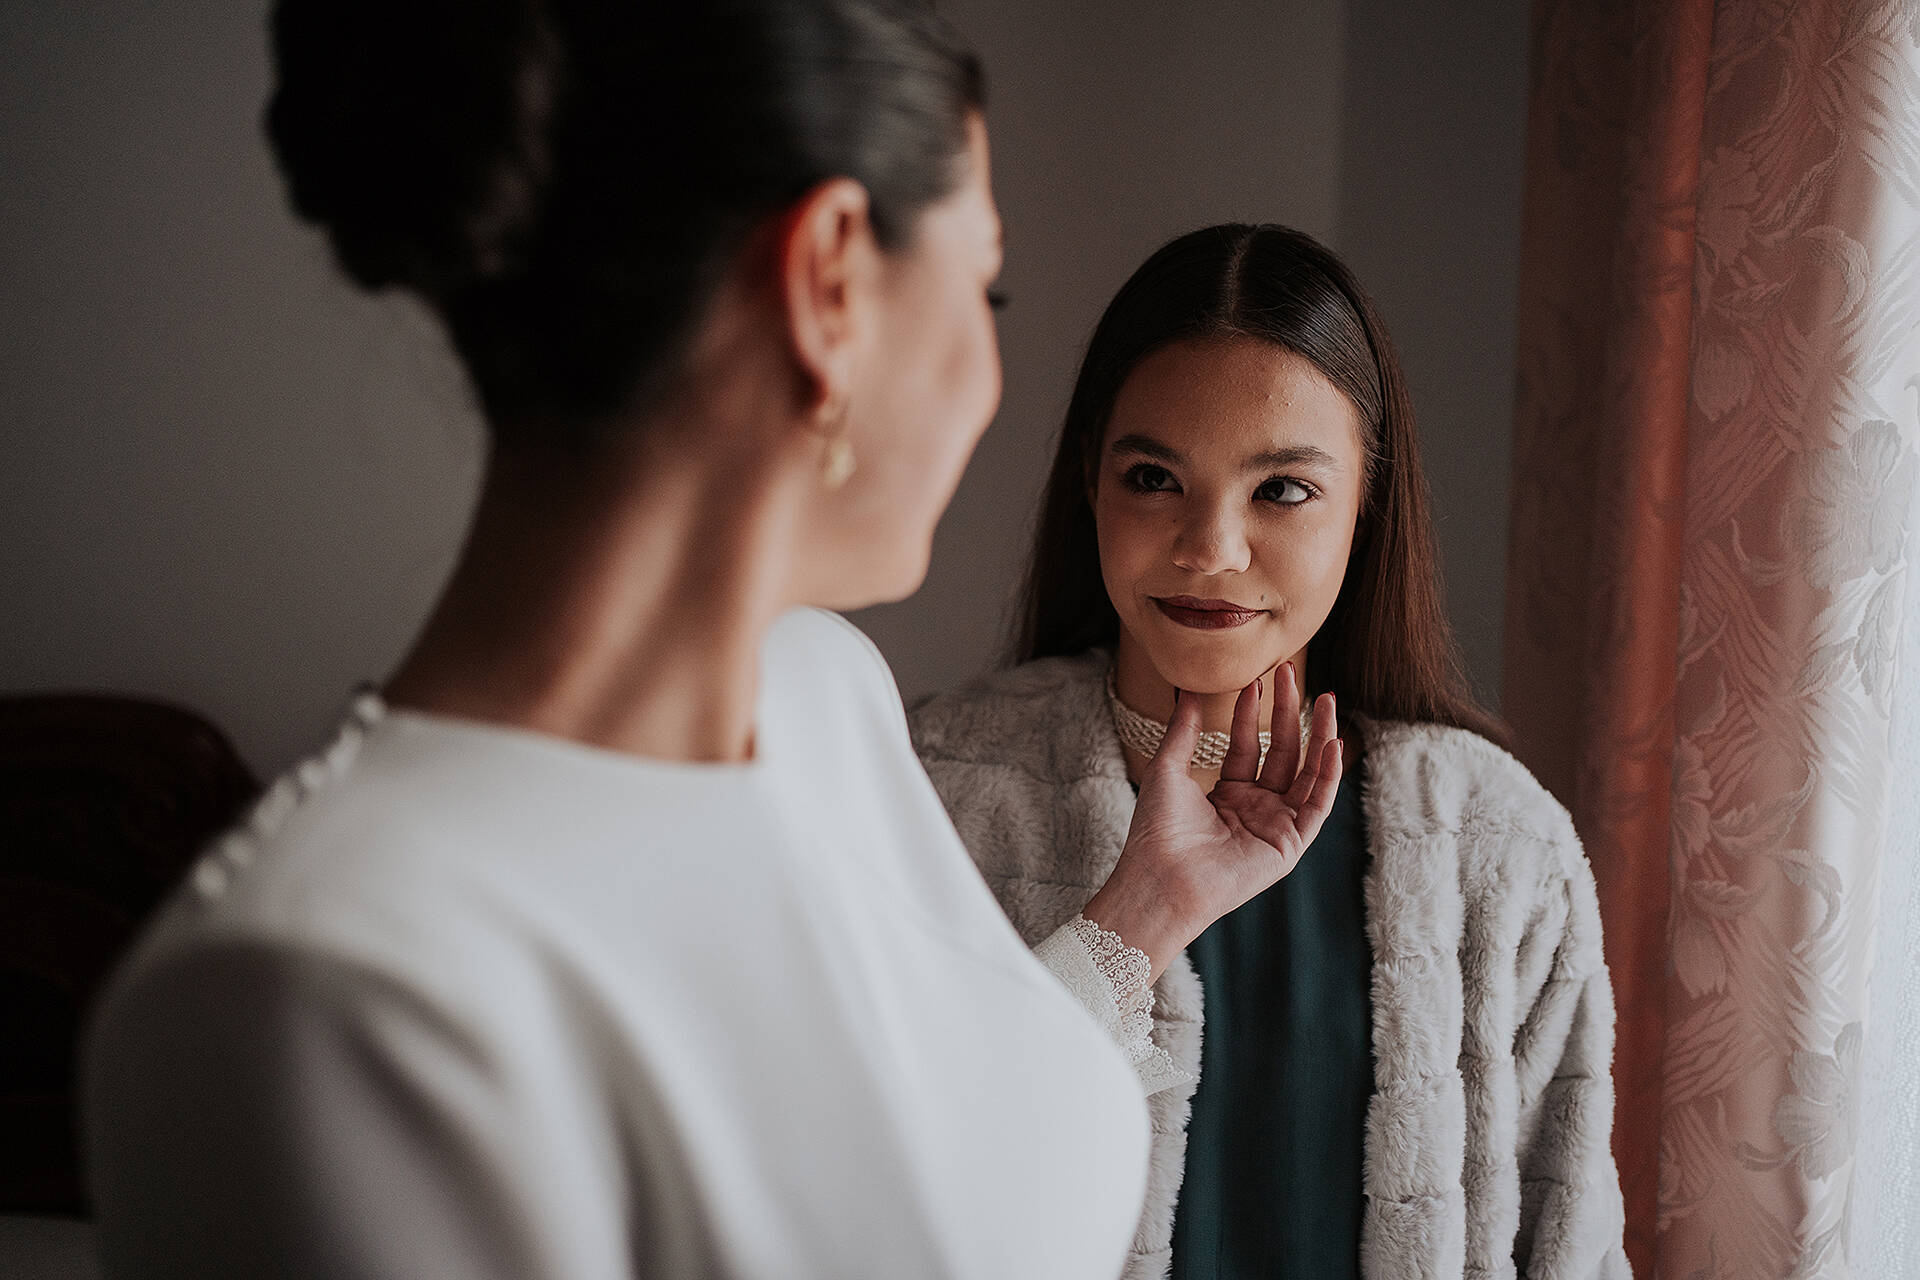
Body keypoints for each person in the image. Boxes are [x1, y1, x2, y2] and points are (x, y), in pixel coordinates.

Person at [81, 9, 1348, 1280]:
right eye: (985, 286)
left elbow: (953, 1158)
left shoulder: (823, 697)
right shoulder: (320, 1001)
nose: (991, 375)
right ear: (830, 284)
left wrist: (1145, 911)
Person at [909, 223, 1631, 1280]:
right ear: (1089, 483)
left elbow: (1571, 1247)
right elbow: (879, 1189)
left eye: (1282, 488)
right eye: (1154, 476)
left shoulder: (1498, 843)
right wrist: (1132, 920)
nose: (1210, 547)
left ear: (1366, 506)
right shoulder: (935, 788)